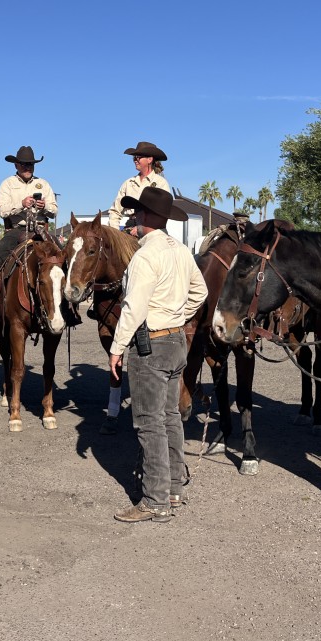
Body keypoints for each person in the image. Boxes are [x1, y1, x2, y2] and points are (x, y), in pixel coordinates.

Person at [108, 187, 207, 522]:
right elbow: (201, 291)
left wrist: (117, 347)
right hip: (176, 340)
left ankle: (155, 500)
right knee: (169, 418)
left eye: (137, 212)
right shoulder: (180, 251)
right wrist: (179, 314)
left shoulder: (145, 256)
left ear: (147, 216)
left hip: (150, 345)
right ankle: (175, 487)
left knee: (149, 423)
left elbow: (134, 308)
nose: (134, 217)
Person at [0, 146, 58, 318]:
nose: (28, 167)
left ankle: (68, 307)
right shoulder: (7, 184)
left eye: (31, 164)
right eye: (24, 164)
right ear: (16, 166)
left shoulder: (43, 184)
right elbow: (2, 211)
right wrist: (21, 203)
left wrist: (46, 206)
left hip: (41, 229)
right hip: (16, 230)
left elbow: (54, 210)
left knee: (63, 257)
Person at [108, 141, 172, 236]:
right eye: (134, 157)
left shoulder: (161, 183)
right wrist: (115, 234)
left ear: (149, 159)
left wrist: (140, 228)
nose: (135, 160)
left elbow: (162, 214)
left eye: (138, 157)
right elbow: (115, 211)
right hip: (129, 229)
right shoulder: (128, 183)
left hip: (154, 231)